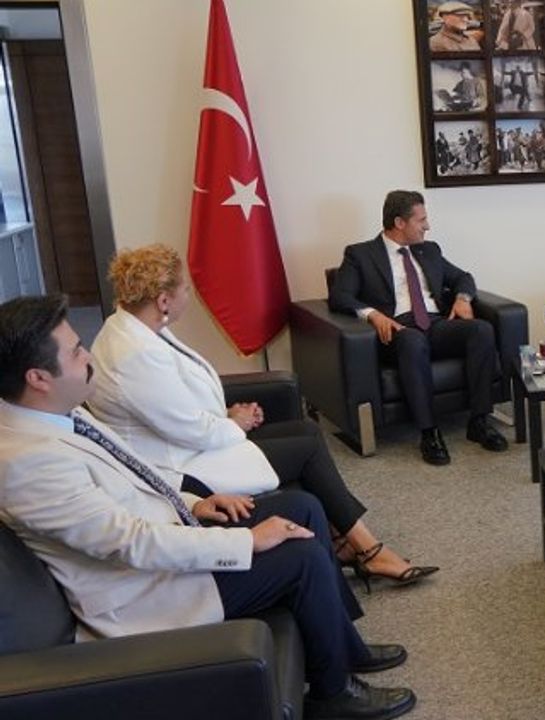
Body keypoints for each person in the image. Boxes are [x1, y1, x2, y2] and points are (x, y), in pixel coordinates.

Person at [0, 294, 416, 720]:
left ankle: (342, 647)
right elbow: (130, 543)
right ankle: (333, 695)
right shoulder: (26, 461)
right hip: (146, 588)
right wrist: (247, 541)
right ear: (38, 378)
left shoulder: (59, 412)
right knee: (302, 557)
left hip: (172, 539)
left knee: (302, 506)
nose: (88, 355)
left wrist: (196, 504)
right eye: (75, 351)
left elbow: (134, 474)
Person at [87, 245, 435, 591]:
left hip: (191, 445)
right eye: (186, 289)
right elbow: (187, 427)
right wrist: (234, 423)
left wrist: (227, 415)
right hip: (181, 468)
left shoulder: (137, 329)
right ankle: (369, 549)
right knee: (306, 450)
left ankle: (345, 541)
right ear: (164, 300)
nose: (188, 296)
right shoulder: (133, 354)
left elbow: (172, 408)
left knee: (307, 431)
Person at [329, 190, 508, 466]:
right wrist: (373, 315)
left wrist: (462, 299)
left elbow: (463, 277)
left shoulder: (429, 250)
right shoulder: (360, 255)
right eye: (421, 220)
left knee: (480, 330)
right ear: (400, 222)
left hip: (435, 324)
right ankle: (429, 432)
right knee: (413, 341)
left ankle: (479, 421)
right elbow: (340, 296)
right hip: (397, 331)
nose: (427, 226)